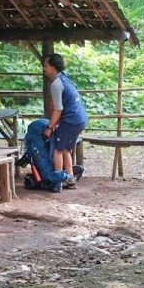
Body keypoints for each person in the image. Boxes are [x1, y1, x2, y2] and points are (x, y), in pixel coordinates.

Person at [42, 53, 88, 189]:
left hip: (71, 120)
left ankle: (58, 181)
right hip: (81, 119)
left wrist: (49, 127)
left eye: (46, 65)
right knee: (66, 149)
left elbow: (58, 109)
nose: (44, 68)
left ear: (53, 67)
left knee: (57, 149)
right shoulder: (65, 78)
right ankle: (69, 178)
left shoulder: (56, 84)